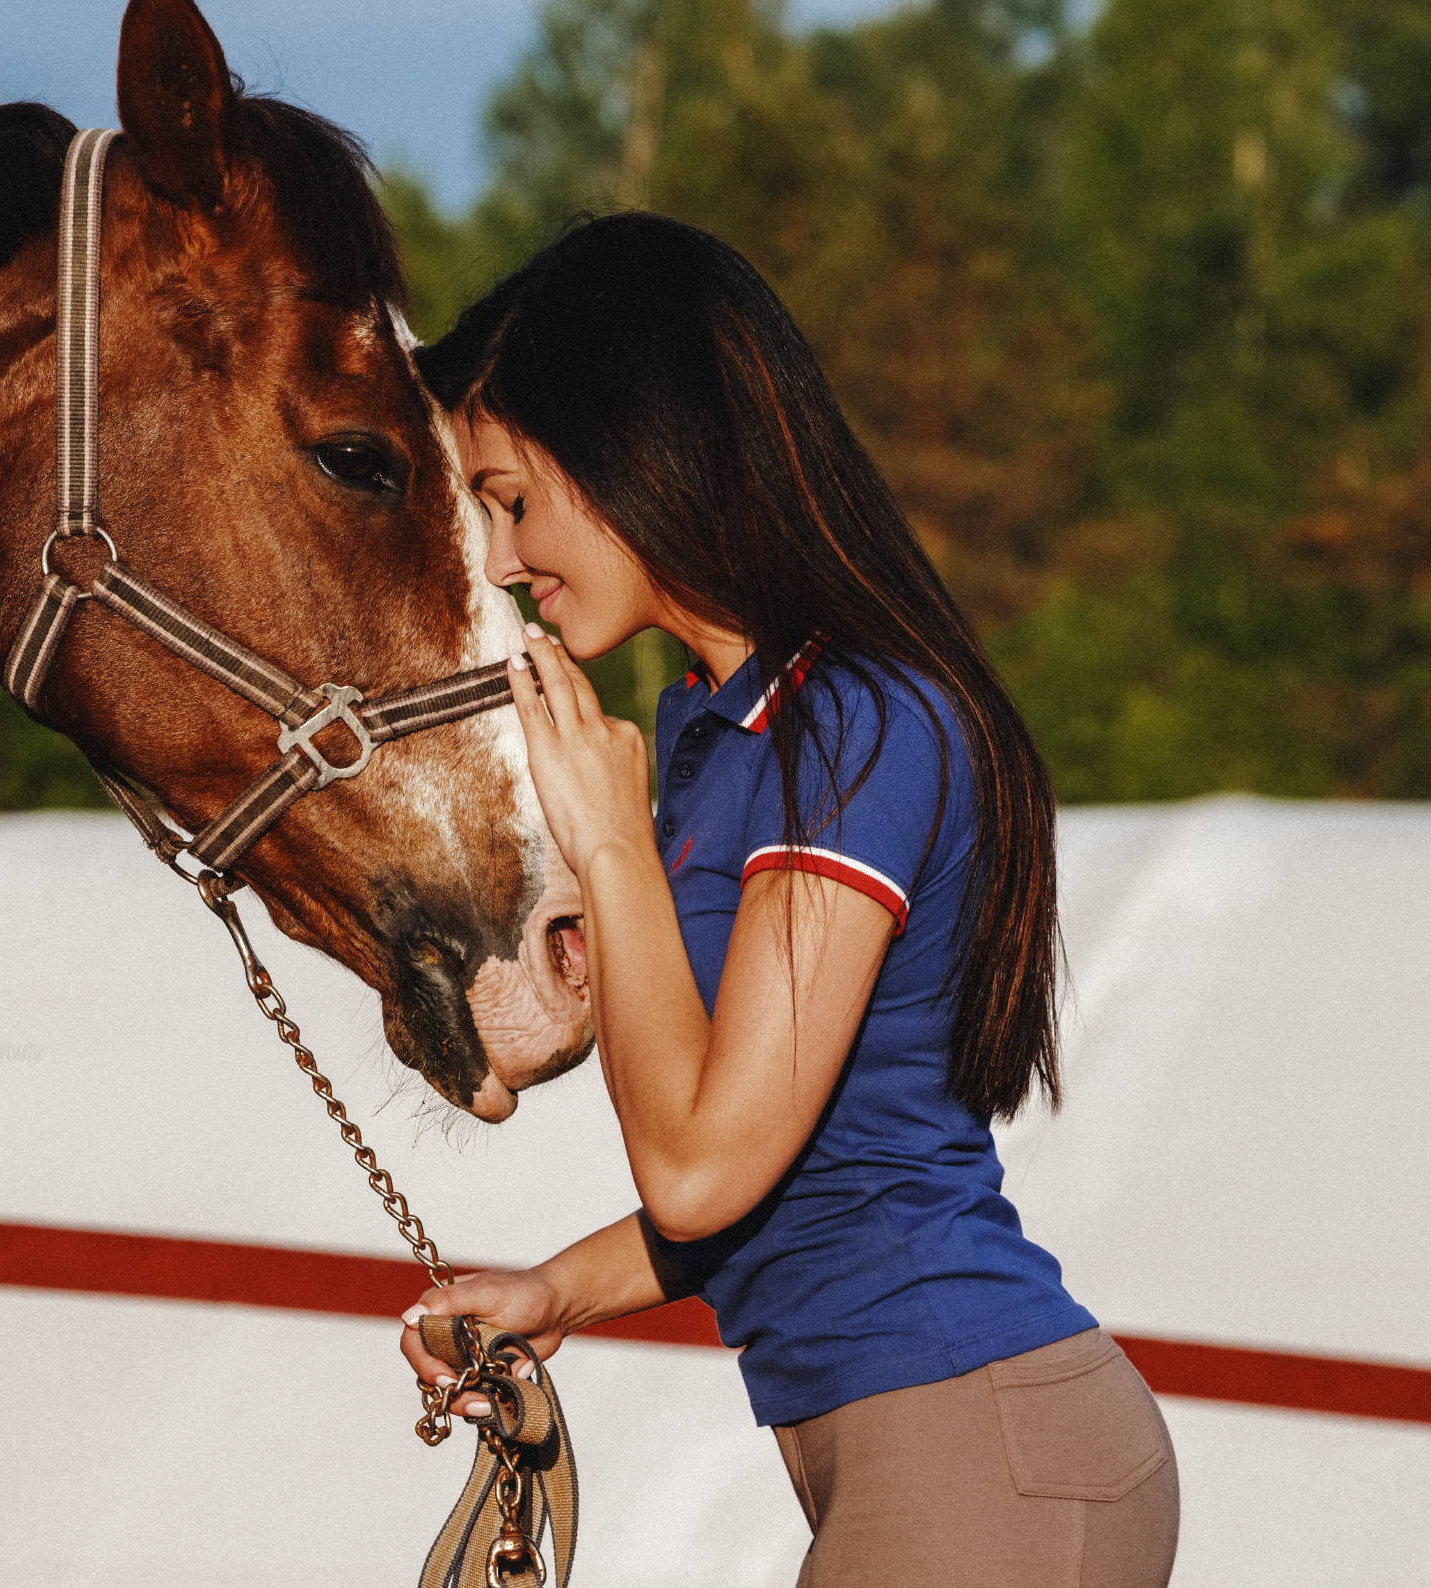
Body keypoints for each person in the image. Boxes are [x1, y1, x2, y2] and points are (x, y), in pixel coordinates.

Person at [397, 213, 1178, 1586]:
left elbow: (705, 1171)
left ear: (634, 448)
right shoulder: (714, 734)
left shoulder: (864, 725)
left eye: (514, 498)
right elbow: (789, 1168)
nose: (506, 557)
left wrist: (613, 847)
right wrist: (554, 1295)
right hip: (924, 1455)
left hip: (982, 1448)